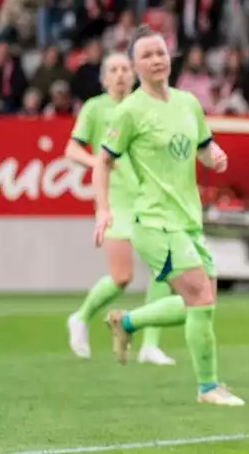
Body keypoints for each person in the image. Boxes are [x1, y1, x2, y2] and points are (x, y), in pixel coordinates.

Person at [93, 27, 243, 406]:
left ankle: (127, 323)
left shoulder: (188, 102)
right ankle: (208, 388)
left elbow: (205, 148)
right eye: (147, 55)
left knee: (199, 303)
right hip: (154, 221)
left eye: (160, 52)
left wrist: (216, 157)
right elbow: (103, 161)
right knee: (200, 298)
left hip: (188, 219)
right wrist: (104, 209)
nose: (156, 60)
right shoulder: (129, 111)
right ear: (135, 65)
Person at [66, 52, 177, 366]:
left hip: (148, 199)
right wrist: (97, 163)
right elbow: (72, 148)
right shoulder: (95, 108)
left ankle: (150, 345)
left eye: (125, 69)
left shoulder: (146, 105)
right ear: (103, 78)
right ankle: (81, 317)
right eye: (113, 70)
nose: (120, 75)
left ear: (135, 73)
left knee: (165, 269)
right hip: (114, 202)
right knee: (122, 276)